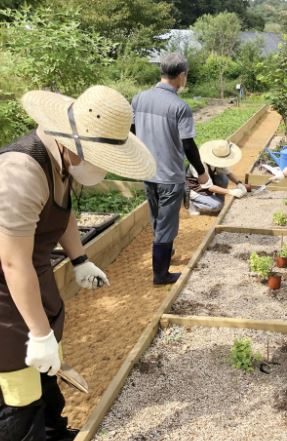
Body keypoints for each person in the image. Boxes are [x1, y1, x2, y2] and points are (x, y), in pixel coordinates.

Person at [0, 85, 156, 441]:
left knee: (46, 373)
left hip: (33, 280)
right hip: (6, 295)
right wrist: (38, 334)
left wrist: (80, 258)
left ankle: (53, 431)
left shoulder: (61, 160)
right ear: (73, 142)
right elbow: (11, 262)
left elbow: (62, 213)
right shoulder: (20, 173)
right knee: (19, 396)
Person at [131, 52, 209, 285]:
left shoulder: (139, 98)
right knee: (167, 224)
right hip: (169, 175)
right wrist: (202, 172)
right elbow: (187, 143)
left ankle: (165, 253)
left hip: (148, 172)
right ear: (182, 75)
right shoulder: (179, 106)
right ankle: (161, 275)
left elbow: (132, 131)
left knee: (157, 218)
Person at [187, 139, 247, 215]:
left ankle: (216, 201)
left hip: (207, 185)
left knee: (223, 179)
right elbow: (209, 186)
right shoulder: (199, 165)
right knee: (217, 205)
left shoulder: (217, 160)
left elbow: (228, 173)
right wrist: (230, 191)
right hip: (195, 189)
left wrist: (239, 183)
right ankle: (193, 203)